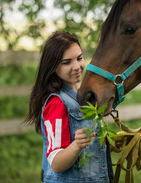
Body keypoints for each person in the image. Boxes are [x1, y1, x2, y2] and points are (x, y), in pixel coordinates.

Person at [26, 31, 114, 183]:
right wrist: (77, 145)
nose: (77, 66)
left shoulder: (84, 97)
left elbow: (93, 149)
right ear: (53, 67)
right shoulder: (57, 103)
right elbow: (56, 163)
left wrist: (121, 141)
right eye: (66, 62)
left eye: (79, 58)